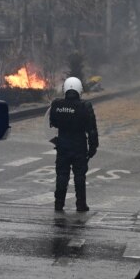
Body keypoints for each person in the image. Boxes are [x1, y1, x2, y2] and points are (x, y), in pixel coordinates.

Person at [48, 76, 98, 212]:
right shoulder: (85, 106)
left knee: (62, 175)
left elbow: (52, 123)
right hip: (79, 145)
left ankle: (59, 203)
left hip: (62, 144)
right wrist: (93, 147)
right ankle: (81, 204)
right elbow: (92, 129)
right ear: (79, 89)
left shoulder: (57, 104)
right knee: (80, 176)